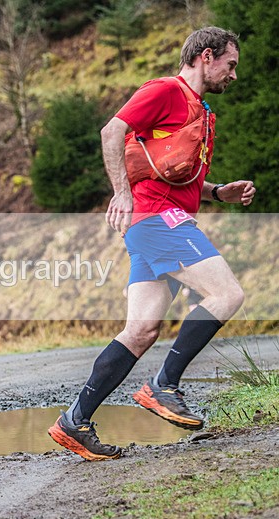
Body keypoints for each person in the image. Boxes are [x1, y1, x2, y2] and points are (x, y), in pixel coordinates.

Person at [48, 27, 256, 461]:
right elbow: (112, 130)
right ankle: (164, 384)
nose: (233, 75)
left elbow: (175, 176)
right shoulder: (166, 90)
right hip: (156, 218)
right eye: (230, 64)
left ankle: (76, 420)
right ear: (205, 56)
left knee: (141, 330)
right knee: (227, 293)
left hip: (160, 217)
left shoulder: (199, 109)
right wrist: (122, 193)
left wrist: (219, 192)